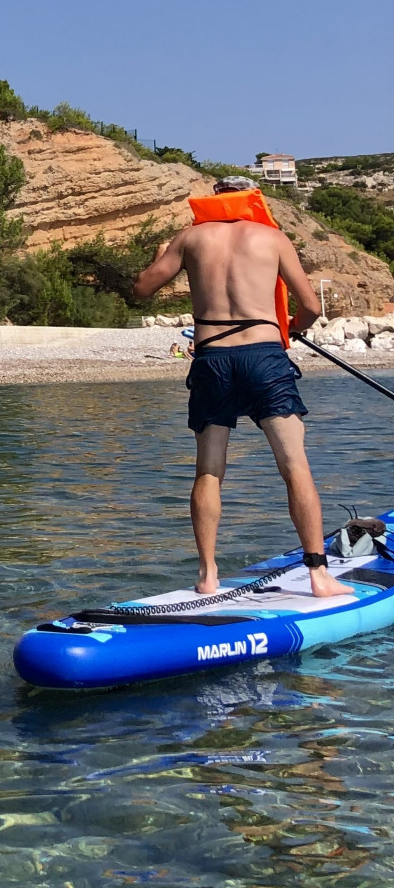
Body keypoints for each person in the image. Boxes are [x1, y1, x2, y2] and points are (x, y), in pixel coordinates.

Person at [132, 179, 351, 600]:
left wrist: (160, 255)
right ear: (253, 200)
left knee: (209, 470)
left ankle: (208, 574)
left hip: (213, 360)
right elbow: (310, 307)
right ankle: (319, 575)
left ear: (215, 198)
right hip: (264, 358)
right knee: (295, 467)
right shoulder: (272, 237)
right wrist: (287, 328)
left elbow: (142, 289)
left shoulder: (191, 238)